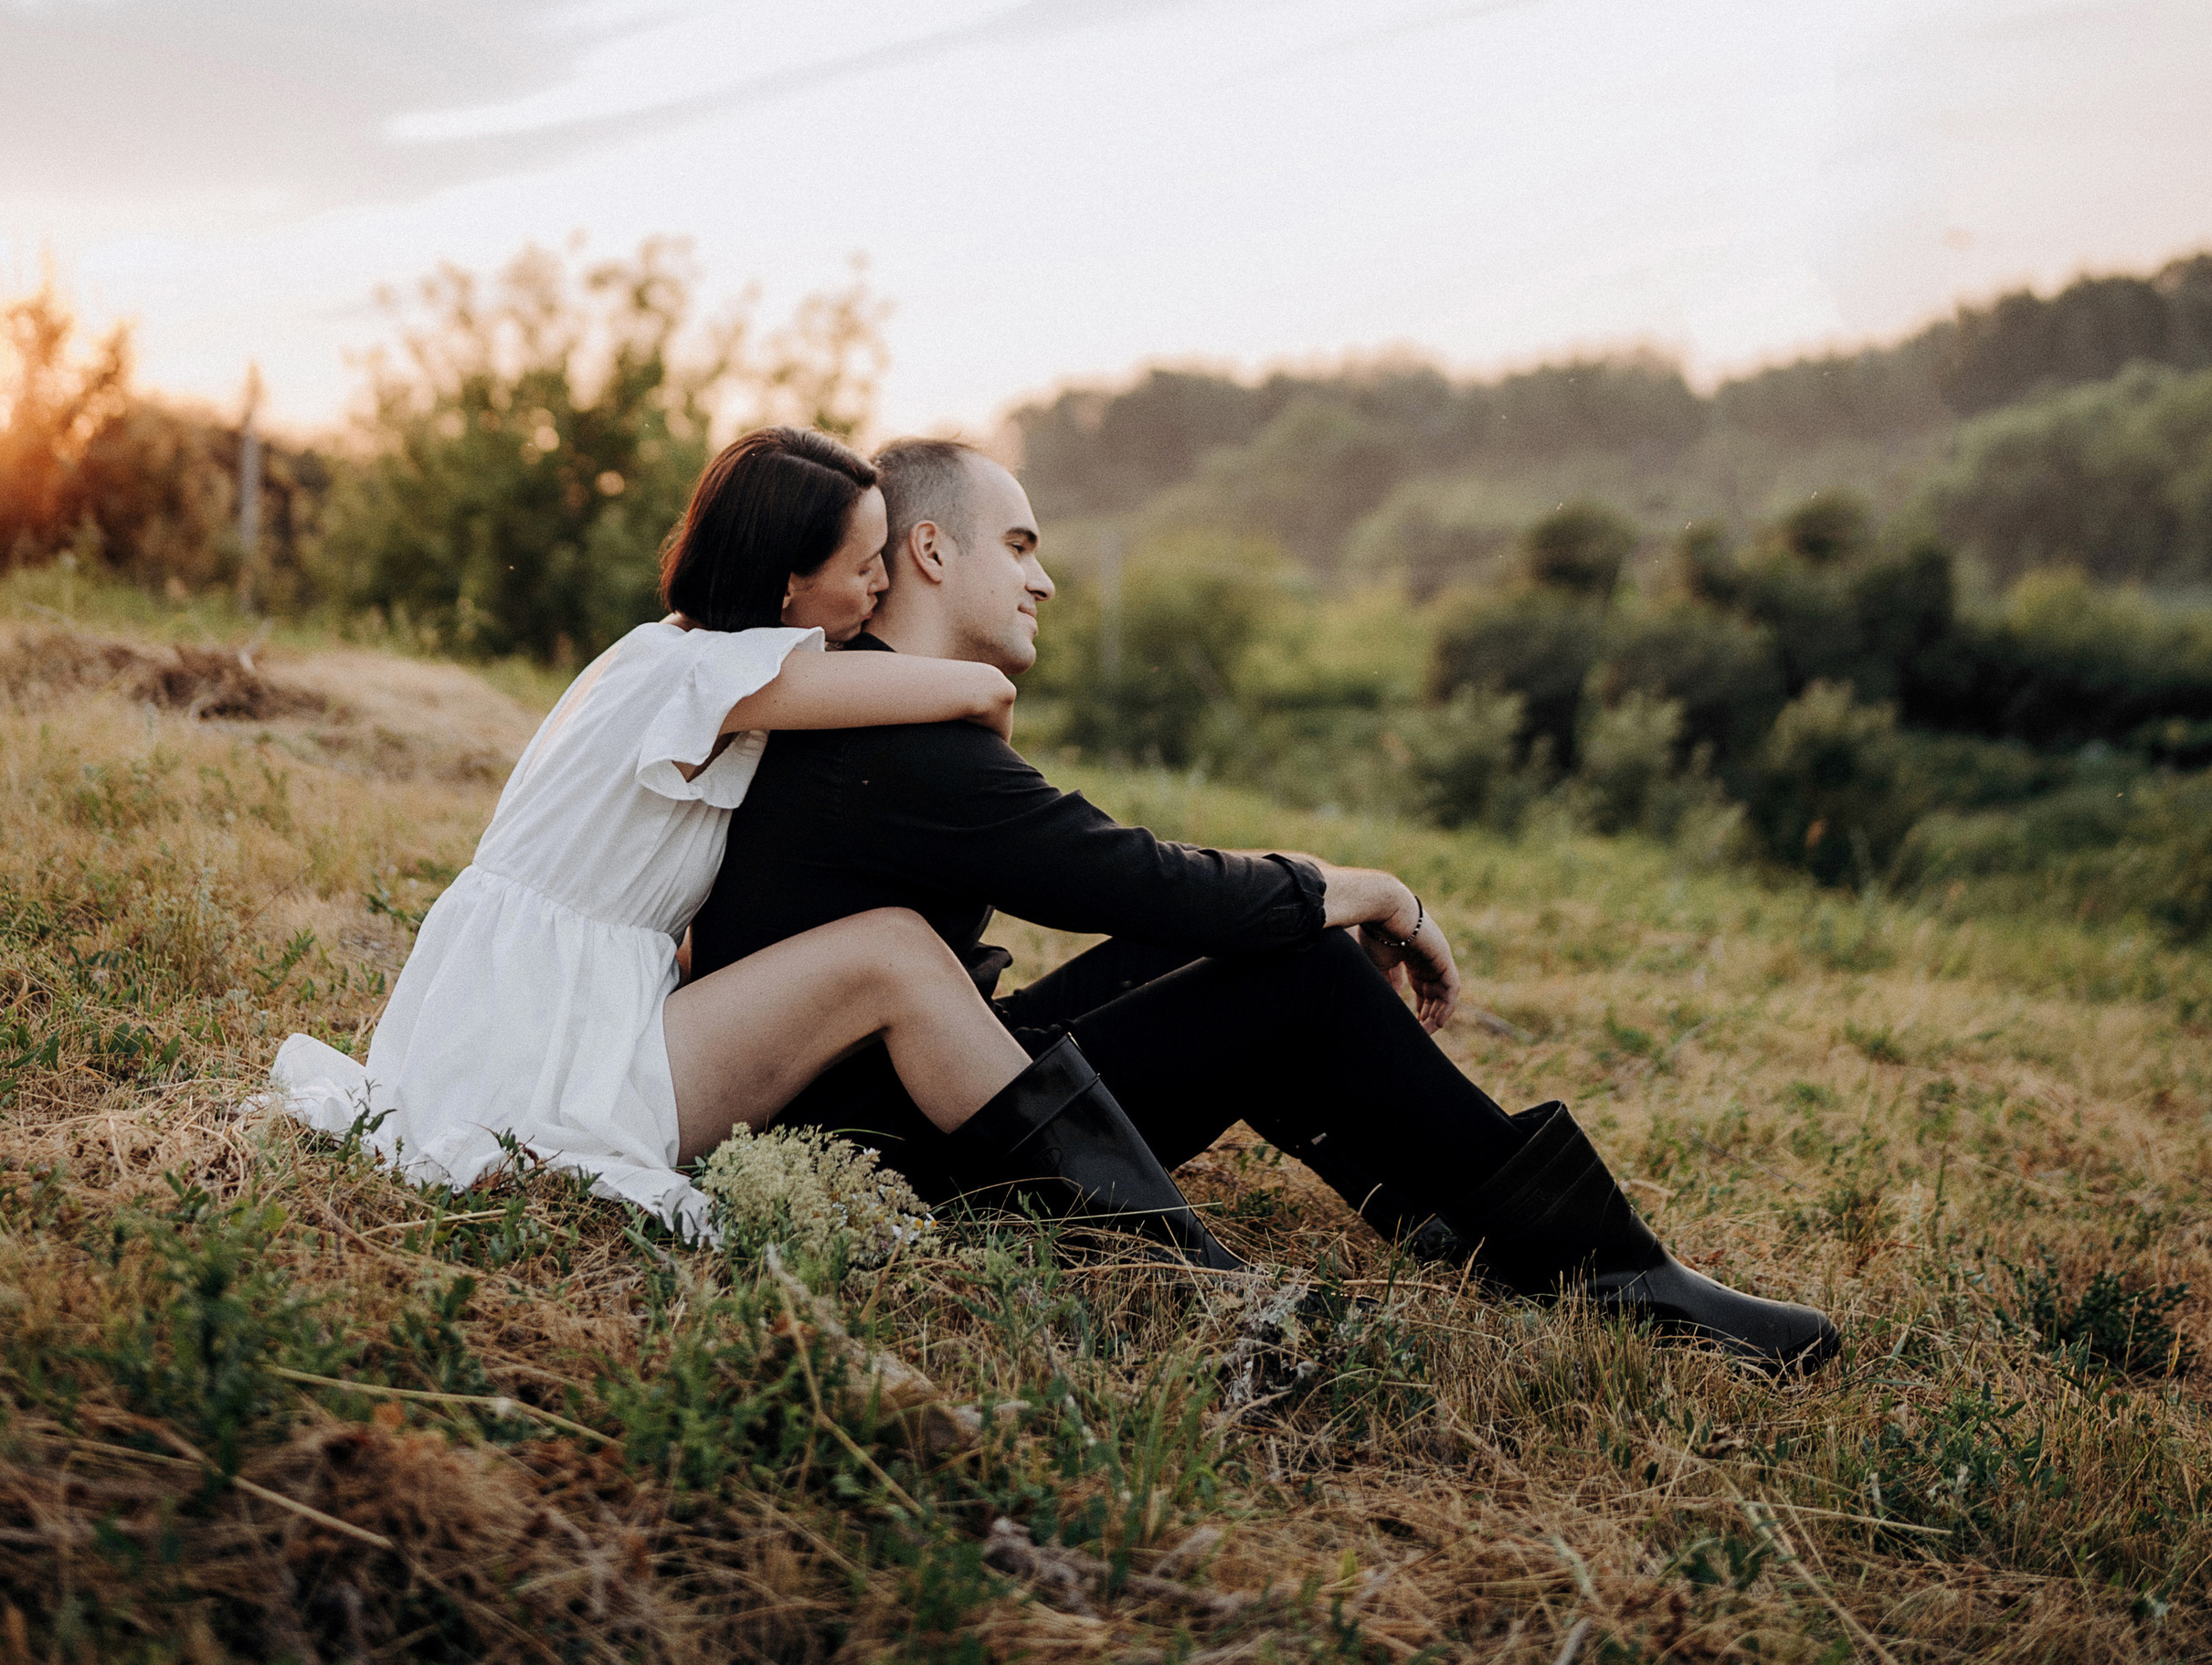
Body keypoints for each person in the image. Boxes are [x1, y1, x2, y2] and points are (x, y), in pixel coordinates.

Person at [691, 437, 1841, 1373]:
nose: (1043, 578)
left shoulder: (878, 718)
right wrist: (1367, 892)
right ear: (931, 549)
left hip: (915, 1095)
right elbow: (1139, 875)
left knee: (1231, 943)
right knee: (1290, 977)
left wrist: (1307, 887)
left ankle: (1471, 1218)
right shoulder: (898, 748)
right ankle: (1610, 1276)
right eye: (1021, 544)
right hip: (893, 1163)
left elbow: (1140, 886)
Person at [265, 427, 1236, 1258]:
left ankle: (1122, 1220)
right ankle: (1155, 1246)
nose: (878, 585)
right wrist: (987, 718)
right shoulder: (712, 676)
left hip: (558, 1003)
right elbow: (982, 688)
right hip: (548, 1042)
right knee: (891, 949)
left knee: (881, 950)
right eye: (863, 565)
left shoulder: (666, 660)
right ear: (787, 585)